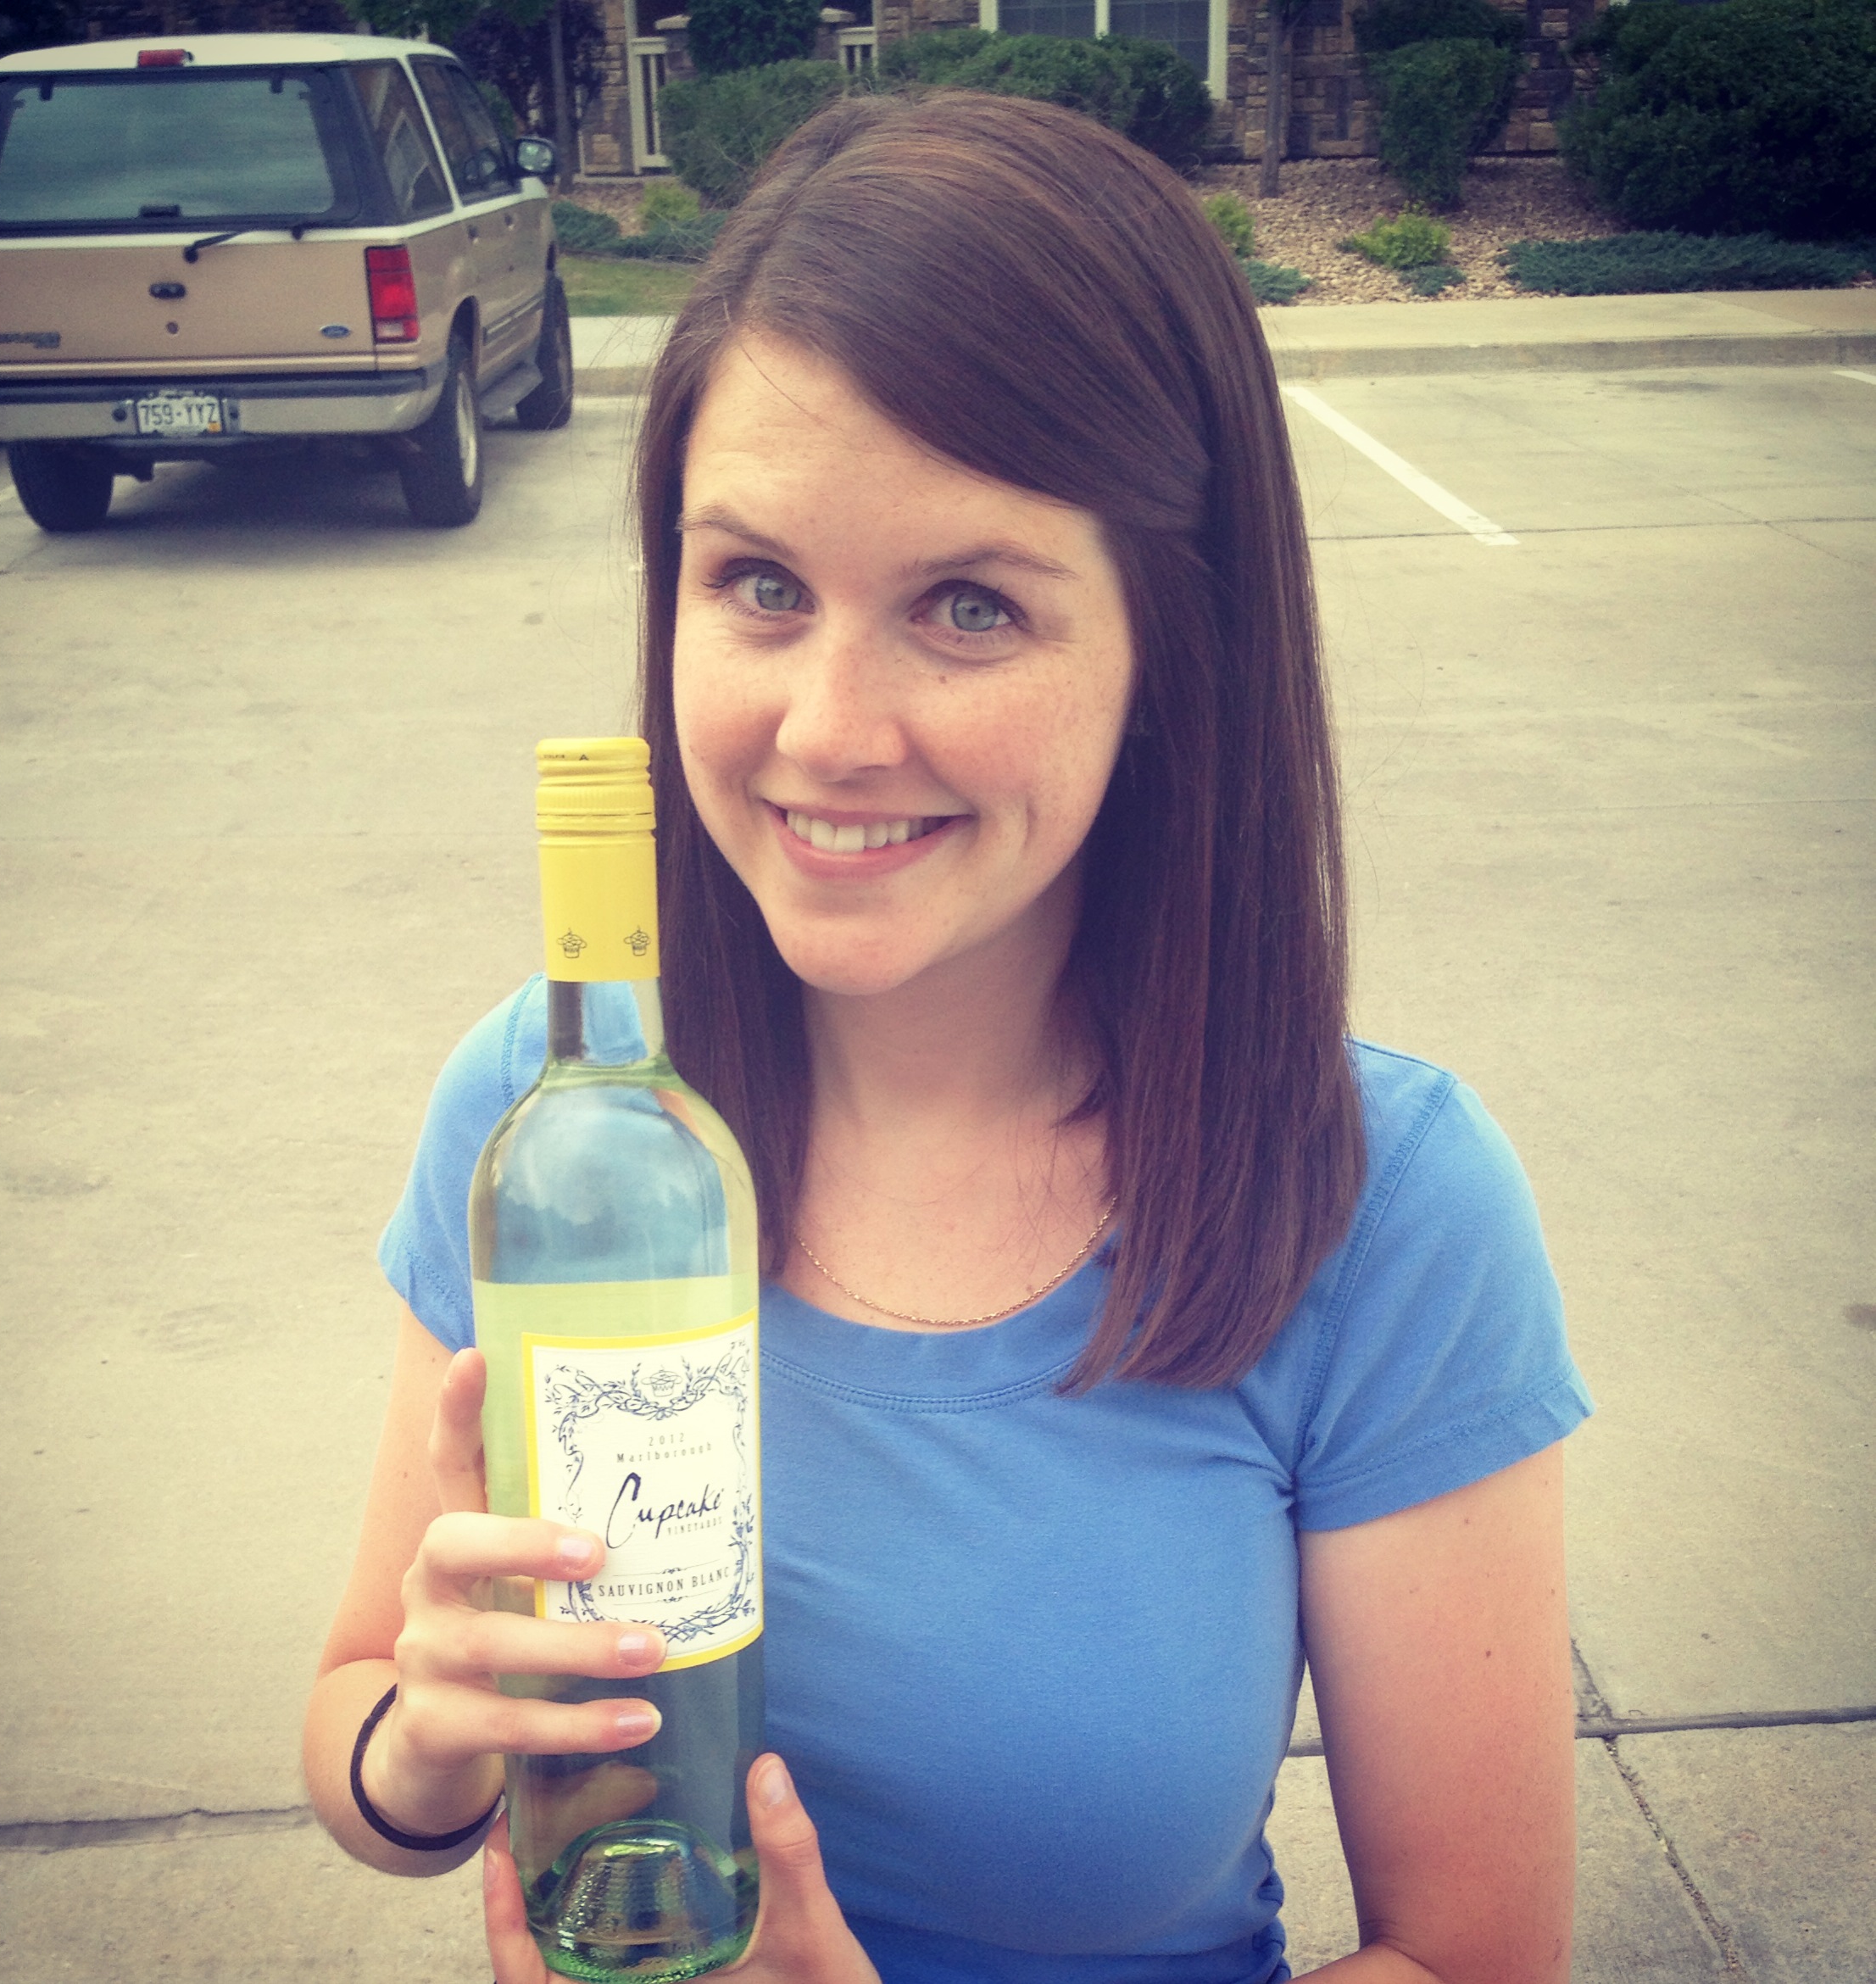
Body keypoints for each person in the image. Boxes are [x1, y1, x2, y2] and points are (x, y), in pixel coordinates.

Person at [303, 91, 1593, 1984]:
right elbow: (357, 1725)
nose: (829, 731)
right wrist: (424, 1745)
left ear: (1174, 649)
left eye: (968, 605)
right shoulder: (552, 1122)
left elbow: (1479, 1956)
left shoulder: (1378, 1201)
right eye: (759, 584)